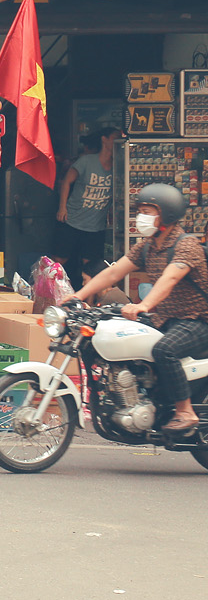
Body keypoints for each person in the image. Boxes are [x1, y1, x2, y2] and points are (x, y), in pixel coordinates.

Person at [71, 183, 208, 431]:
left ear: (166, 214)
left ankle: (185, 412)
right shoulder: (147, 246)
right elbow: (113, 272)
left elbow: (170, 278)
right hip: (166, 319)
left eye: (148, 211)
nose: (141, 217)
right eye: (140, 211)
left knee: (164, 350)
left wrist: (143, 305)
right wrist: (77, 296)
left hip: (197, 320)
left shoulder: (187, 246)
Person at [57, 128, 120, 284]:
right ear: (104, 139)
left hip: (96, 226)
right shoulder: (86, 161)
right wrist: (62, 207)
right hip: (72, 219)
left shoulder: (118, 164)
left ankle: (90, 297)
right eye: (115, 137)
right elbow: (66, 182)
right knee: (59, 259)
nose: (118, 141)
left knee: (91, 265)